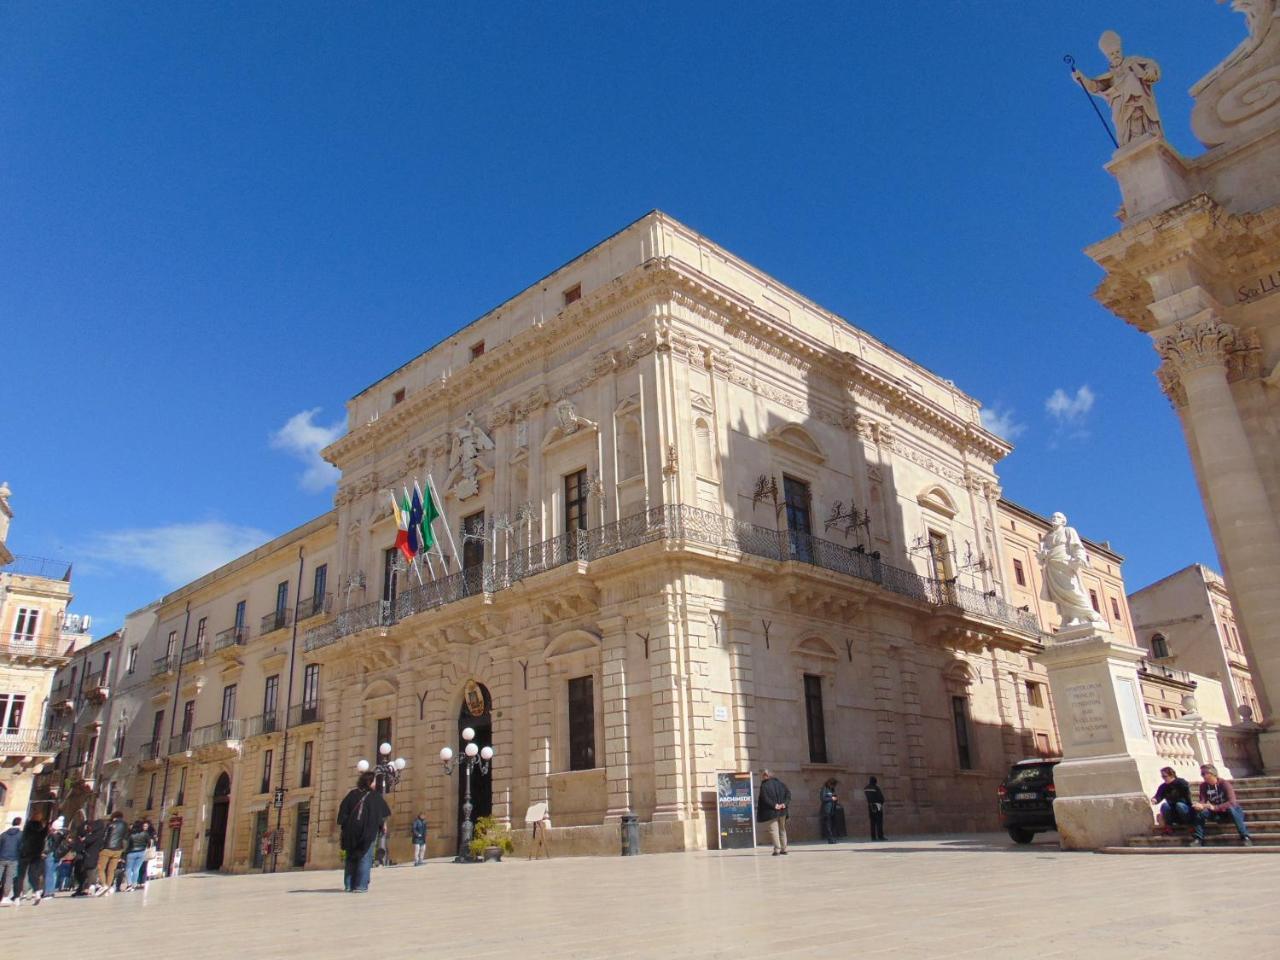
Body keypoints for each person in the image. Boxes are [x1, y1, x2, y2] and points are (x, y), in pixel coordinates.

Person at [336, 771, 391, 892]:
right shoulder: (375, 797)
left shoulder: (352, 794)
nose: (375, 783)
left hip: (351, 832)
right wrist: (383, 826)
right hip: (367, 831)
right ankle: (360, 886)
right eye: (374, 781)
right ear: (369, 782)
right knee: (365, 856)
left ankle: (349, 885)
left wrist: (346, 827)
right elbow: (381, 815)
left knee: (350, 857)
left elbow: (342, 814)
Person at [1192, 763, 1252, 847]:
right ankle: (1198, 839)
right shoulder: (1203, 786)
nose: (1202, 776)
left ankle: (1245, 837)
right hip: (1217, 814)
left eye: (1204, 773)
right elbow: (1203, 800)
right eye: (1202, 774)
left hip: (1230, 812)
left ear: (1212, 773)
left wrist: (1215, 807)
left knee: (1231, 808)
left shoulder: (1224, 784)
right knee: (1200, 813)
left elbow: (1232, 802)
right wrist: (1200, 805)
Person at [756, 769, 791, 856]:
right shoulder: (781, 784)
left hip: (771, 812)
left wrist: (774, 805)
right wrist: (784, 804)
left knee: (774, 830)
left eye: (763, 775)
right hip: (782, 811)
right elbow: (788, 795)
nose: (762, 777)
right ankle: (784, 849)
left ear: (766, 776)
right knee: (782, 829)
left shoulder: (764, 785)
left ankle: (777, 850)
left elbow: (765, 798)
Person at [14, 814, 48, 903]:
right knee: (33, 875)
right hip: (36, 854)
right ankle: (37, 892)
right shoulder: (42, 830)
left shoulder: (27, 828)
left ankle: (17, 897)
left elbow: (22, 840)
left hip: (25, 854)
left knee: (20, 876)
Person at [1151, 767, 1193, 834]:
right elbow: (1158, 796)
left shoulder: (1181, 782)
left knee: (1179, 805)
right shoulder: (1163, 786)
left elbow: (1188, 795)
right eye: (1162, 776)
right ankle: (1168, 827)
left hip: (1184, 808)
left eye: (1165, 776)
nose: (1163, 778)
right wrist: (1155, 799)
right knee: (1164, 805)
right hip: (1172, 811)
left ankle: (1190, 825)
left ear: (1171, 775)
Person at [74, 815, 106, 896]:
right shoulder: (99, 833)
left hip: (90, 854)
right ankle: (92, 886)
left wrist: (84, 839)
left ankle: (98, 886)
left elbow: (88, 840)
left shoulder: (96, 833)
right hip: (90, 854)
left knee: (90, 870)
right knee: (88, 870)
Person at [100, 811, 128, 894]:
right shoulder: (125, 825)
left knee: (101, 868)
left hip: (107, 848)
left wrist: (101, 847)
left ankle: (103, 885)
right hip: (118, 850)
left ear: (114, 817)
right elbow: (125, 838)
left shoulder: (110, 824)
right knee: (111, 870)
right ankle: (108, 888)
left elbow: (104, 836)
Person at [124, 820, 152, 890]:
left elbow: (127, 844)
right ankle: (134, 884)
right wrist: (145, 847)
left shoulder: (131, 834)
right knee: (136, 869)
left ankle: (129, 884)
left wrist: (125, 853)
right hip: (141, 852)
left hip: (131, 852)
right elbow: (149, 843)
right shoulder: (145, 834)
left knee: (128, 869)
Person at [42, 817, 66, 899]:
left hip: (51, 855)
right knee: (53, 873)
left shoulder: (53, 835)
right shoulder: (62, 835)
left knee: (48, 873)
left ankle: (48, 892)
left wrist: (45, 853)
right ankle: (51, 891)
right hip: (58, 855)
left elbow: (50, 846)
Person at [0, 816, 22, 905]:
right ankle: (5, 897)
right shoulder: (21, 835)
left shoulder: (4, 834)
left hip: (1, 858)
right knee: (8, 879)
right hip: (13, 859)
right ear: (20, 824)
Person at [864, 776, 886, 841]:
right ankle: (880, 836)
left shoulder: (866, 788)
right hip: (877, 805)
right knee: (879, 821)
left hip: (870, 806)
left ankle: (873, 837)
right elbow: (881, 798)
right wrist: (881, 803)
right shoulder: (876, 788)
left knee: (872, 822)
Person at [819, 778, 840, 844]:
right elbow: (822, 798)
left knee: (833, 824)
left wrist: (836, 800)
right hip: (826, 810)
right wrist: (831, 798)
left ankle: (834, 838)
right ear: (829, 783)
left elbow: (834, 797)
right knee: (828, 825)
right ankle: (830, 839)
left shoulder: (832, 789)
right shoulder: (824, 789)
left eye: (834, 785)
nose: (833, 786)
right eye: (833, 785)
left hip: (832, 809)